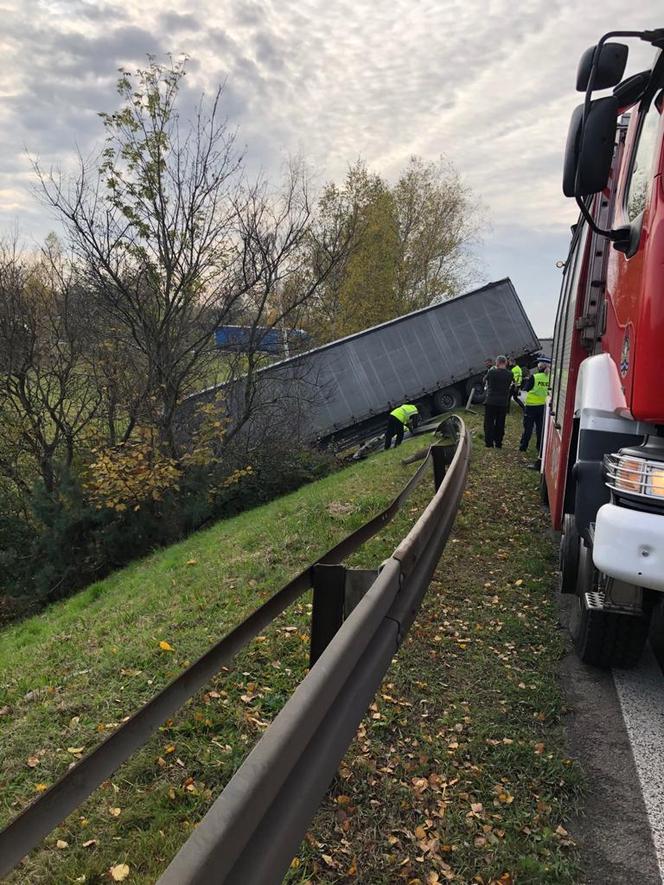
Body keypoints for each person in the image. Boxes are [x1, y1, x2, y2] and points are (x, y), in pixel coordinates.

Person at [519, 360, 550, 454]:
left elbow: (526, 388)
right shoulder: (550, 378)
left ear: (539, 367)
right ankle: (539, 447)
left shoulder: (534, 377)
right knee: (540, 428)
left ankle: (523, 446)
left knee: (528, 427)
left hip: (531, 406)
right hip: (543, 406)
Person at [483, 356, 513, 448]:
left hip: (491, 401)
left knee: (489, 423)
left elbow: (484, 380)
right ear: (506, 363)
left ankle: (489, 443)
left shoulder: (492, 372)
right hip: (503, 402)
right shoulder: (510, 374)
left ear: (497, 363)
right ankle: (498, 443)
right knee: (500, 423)